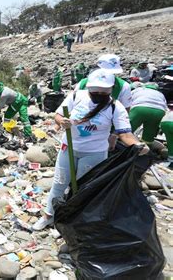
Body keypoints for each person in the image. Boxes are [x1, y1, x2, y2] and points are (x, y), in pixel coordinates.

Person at [33, 69, 148, 230]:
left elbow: (125, 133)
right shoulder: (76, 96)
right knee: (59, 183)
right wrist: (62, 121)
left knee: (82, 188)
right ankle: (48, 216)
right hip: (69, 148)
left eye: (104, 90)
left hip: (94, 153)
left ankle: (72, 220)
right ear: (89, 87)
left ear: (111, 89)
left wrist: (137, 146)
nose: (99, 93)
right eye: (95, 90)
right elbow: (58, 115)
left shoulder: (115, 107)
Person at [129, 82, 167, 148]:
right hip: (159, 111)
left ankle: (121, 144)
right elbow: (165, 106)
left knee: (128, 128)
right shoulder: (161, 94)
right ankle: (146, 149)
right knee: (150, 132)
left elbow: (128, 100)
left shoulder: (138, 90)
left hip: (140, 108)